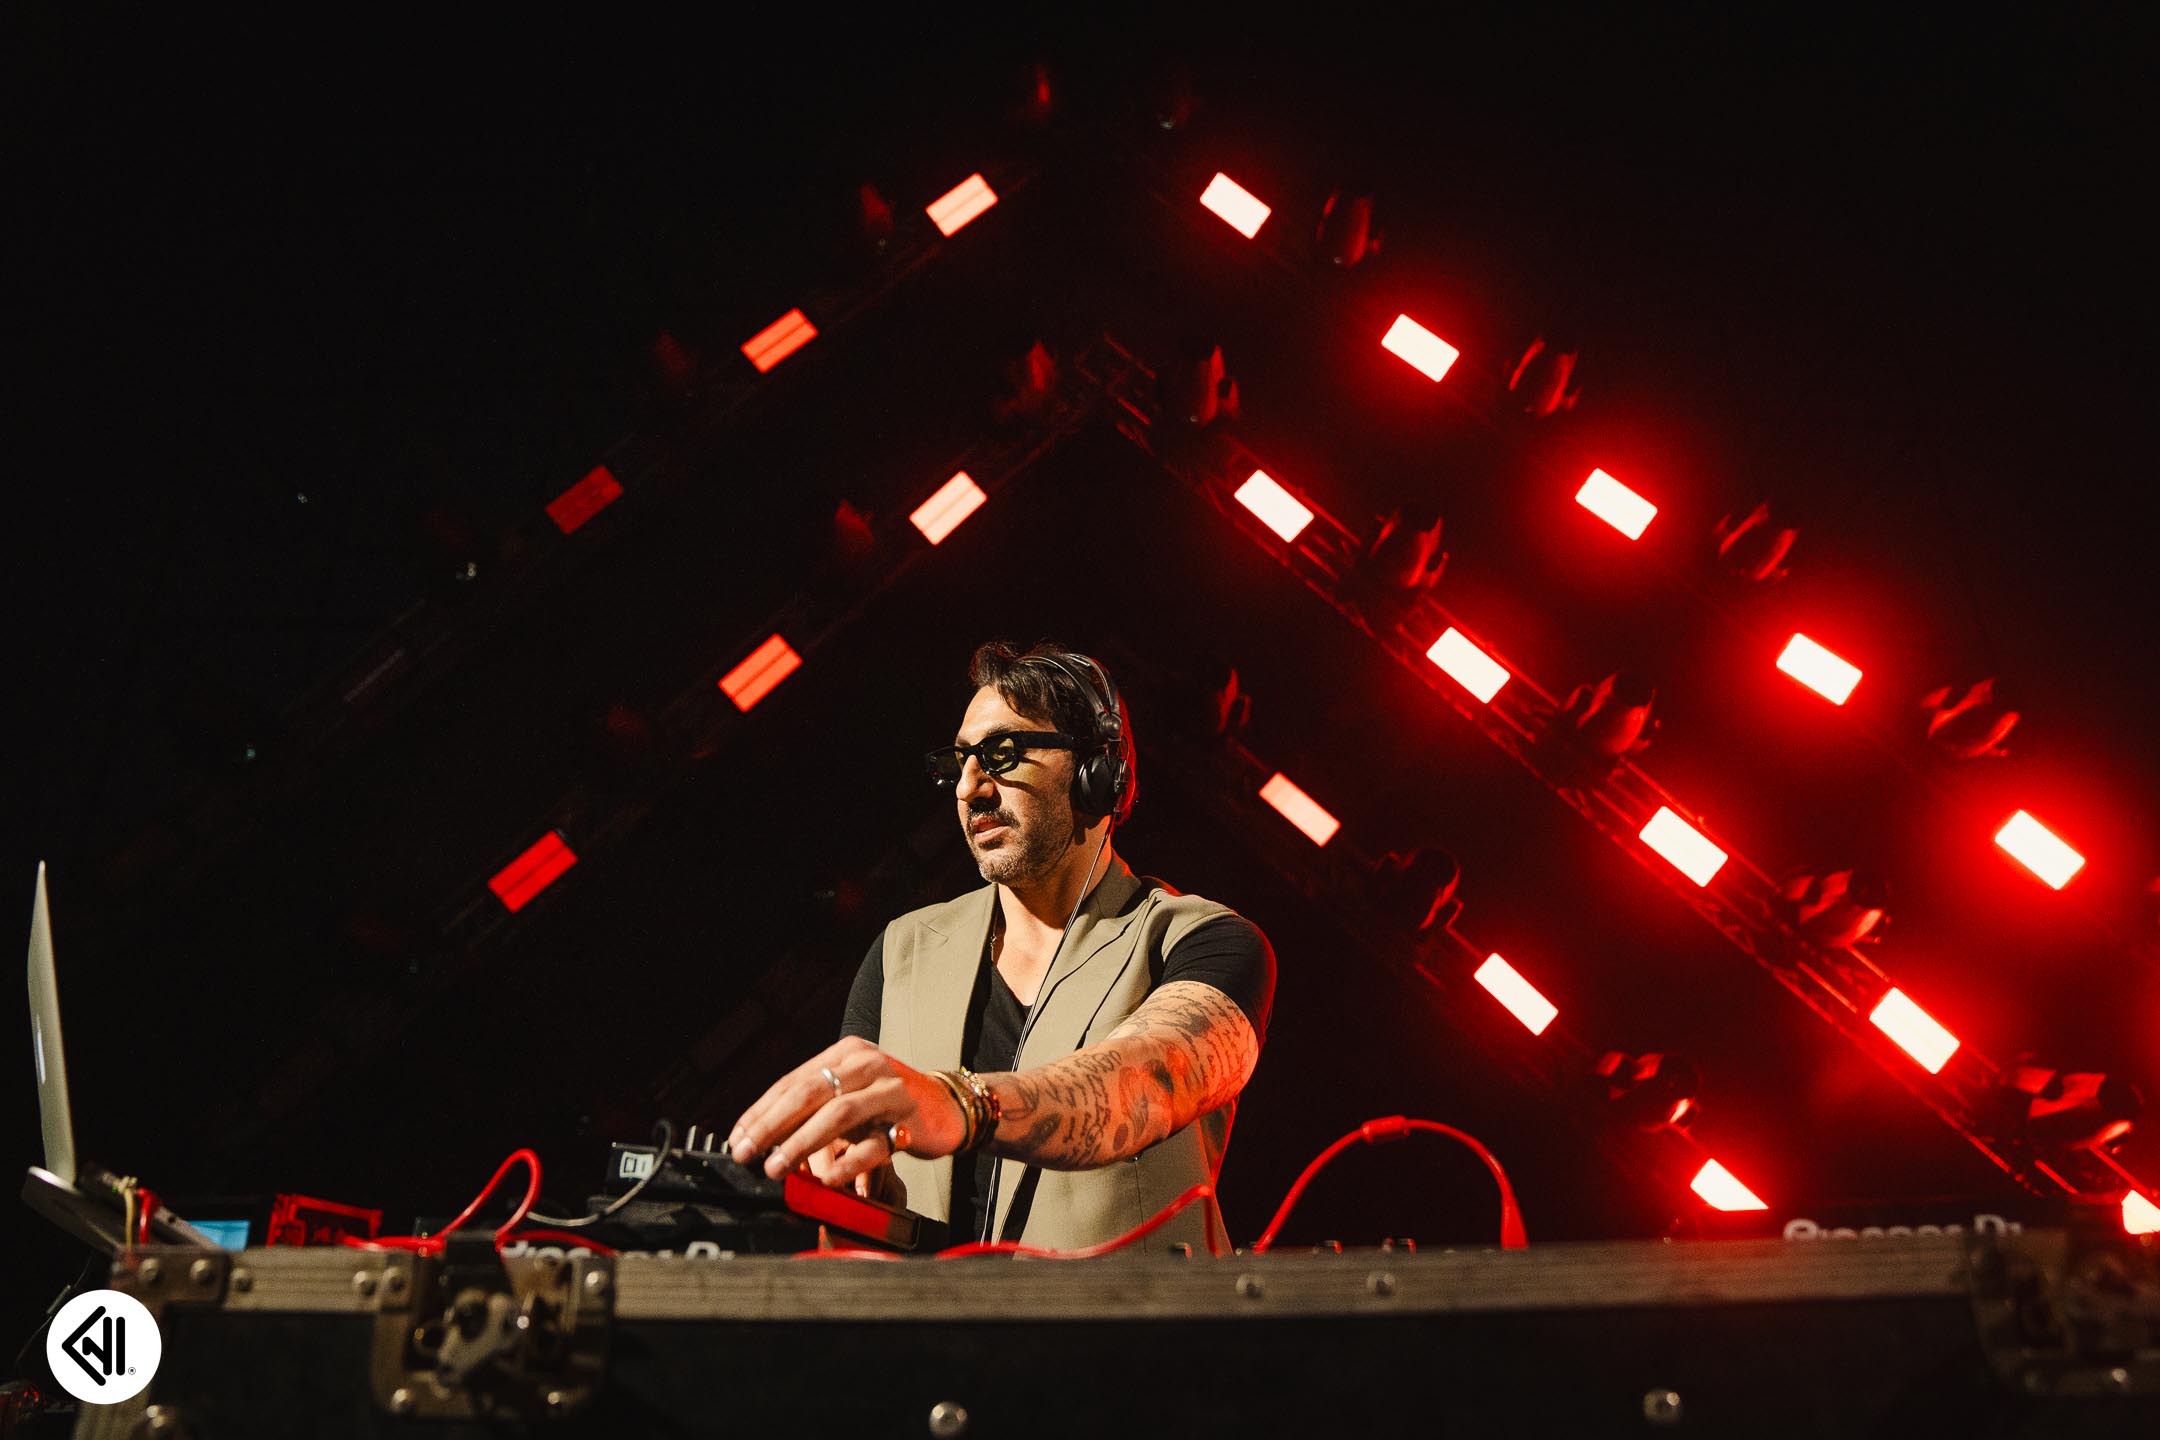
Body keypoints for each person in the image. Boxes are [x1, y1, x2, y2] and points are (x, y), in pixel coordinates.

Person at [727, 641, 1275, 1252]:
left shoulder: (1206, 940)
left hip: (1129, 1317)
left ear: (1098, 774)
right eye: (959, 762)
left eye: (1001, 754)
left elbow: (1143, 1084)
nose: (969, 787)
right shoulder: (902, 949)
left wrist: (961, 1104)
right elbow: (854, 1179)